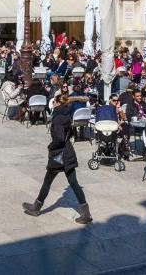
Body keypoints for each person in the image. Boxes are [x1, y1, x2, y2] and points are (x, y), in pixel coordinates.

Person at [21, 94, 92, 224]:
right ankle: (86, 212)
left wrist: (51, 146)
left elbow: (58, 138)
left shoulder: (58, 117)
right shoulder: (68, 114)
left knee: (47, 181)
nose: (52, 104)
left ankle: (36, 207)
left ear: (58, 103)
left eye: (54, 102)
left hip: (59, 155)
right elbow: (70, 134)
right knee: (74, 183)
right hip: (68, 152)